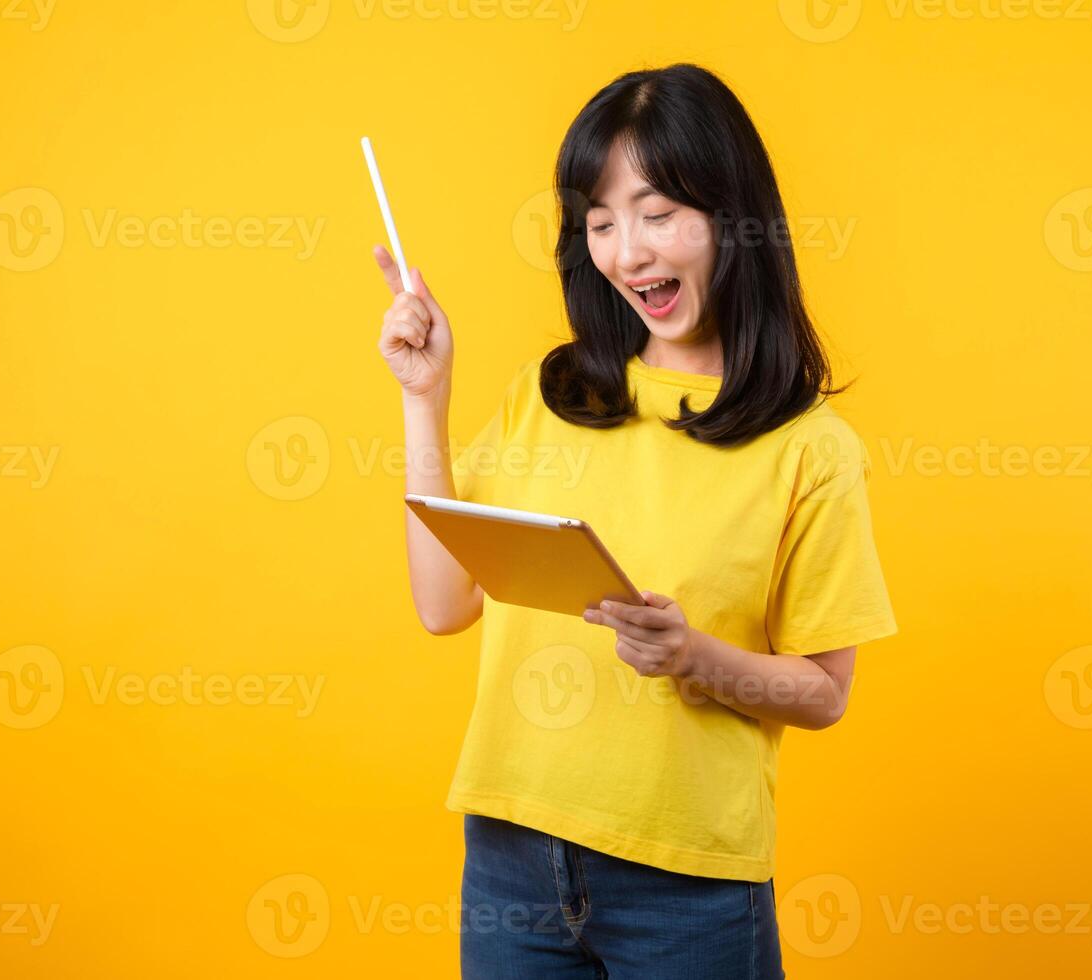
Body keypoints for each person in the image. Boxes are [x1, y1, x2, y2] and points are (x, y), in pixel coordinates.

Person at [374, 62, 896, 980]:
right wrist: (427, 399)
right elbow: (442, 603)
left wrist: (692, 657)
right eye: (601, 223)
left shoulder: (809, 447)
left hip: (687, 885)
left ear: (733, 218)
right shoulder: (553, 393)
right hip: (511, 857)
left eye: (657, 215)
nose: (627, 254)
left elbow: (825, 693)